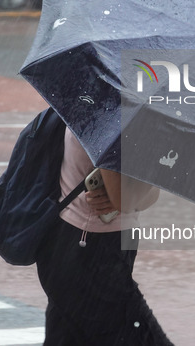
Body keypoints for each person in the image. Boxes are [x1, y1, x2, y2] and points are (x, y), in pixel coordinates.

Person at [36, 128, 174, 345]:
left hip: (75, 246)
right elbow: (124, 198)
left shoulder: (111, 110)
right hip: (92, 255)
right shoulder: (115, 116)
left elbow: (140, 198)